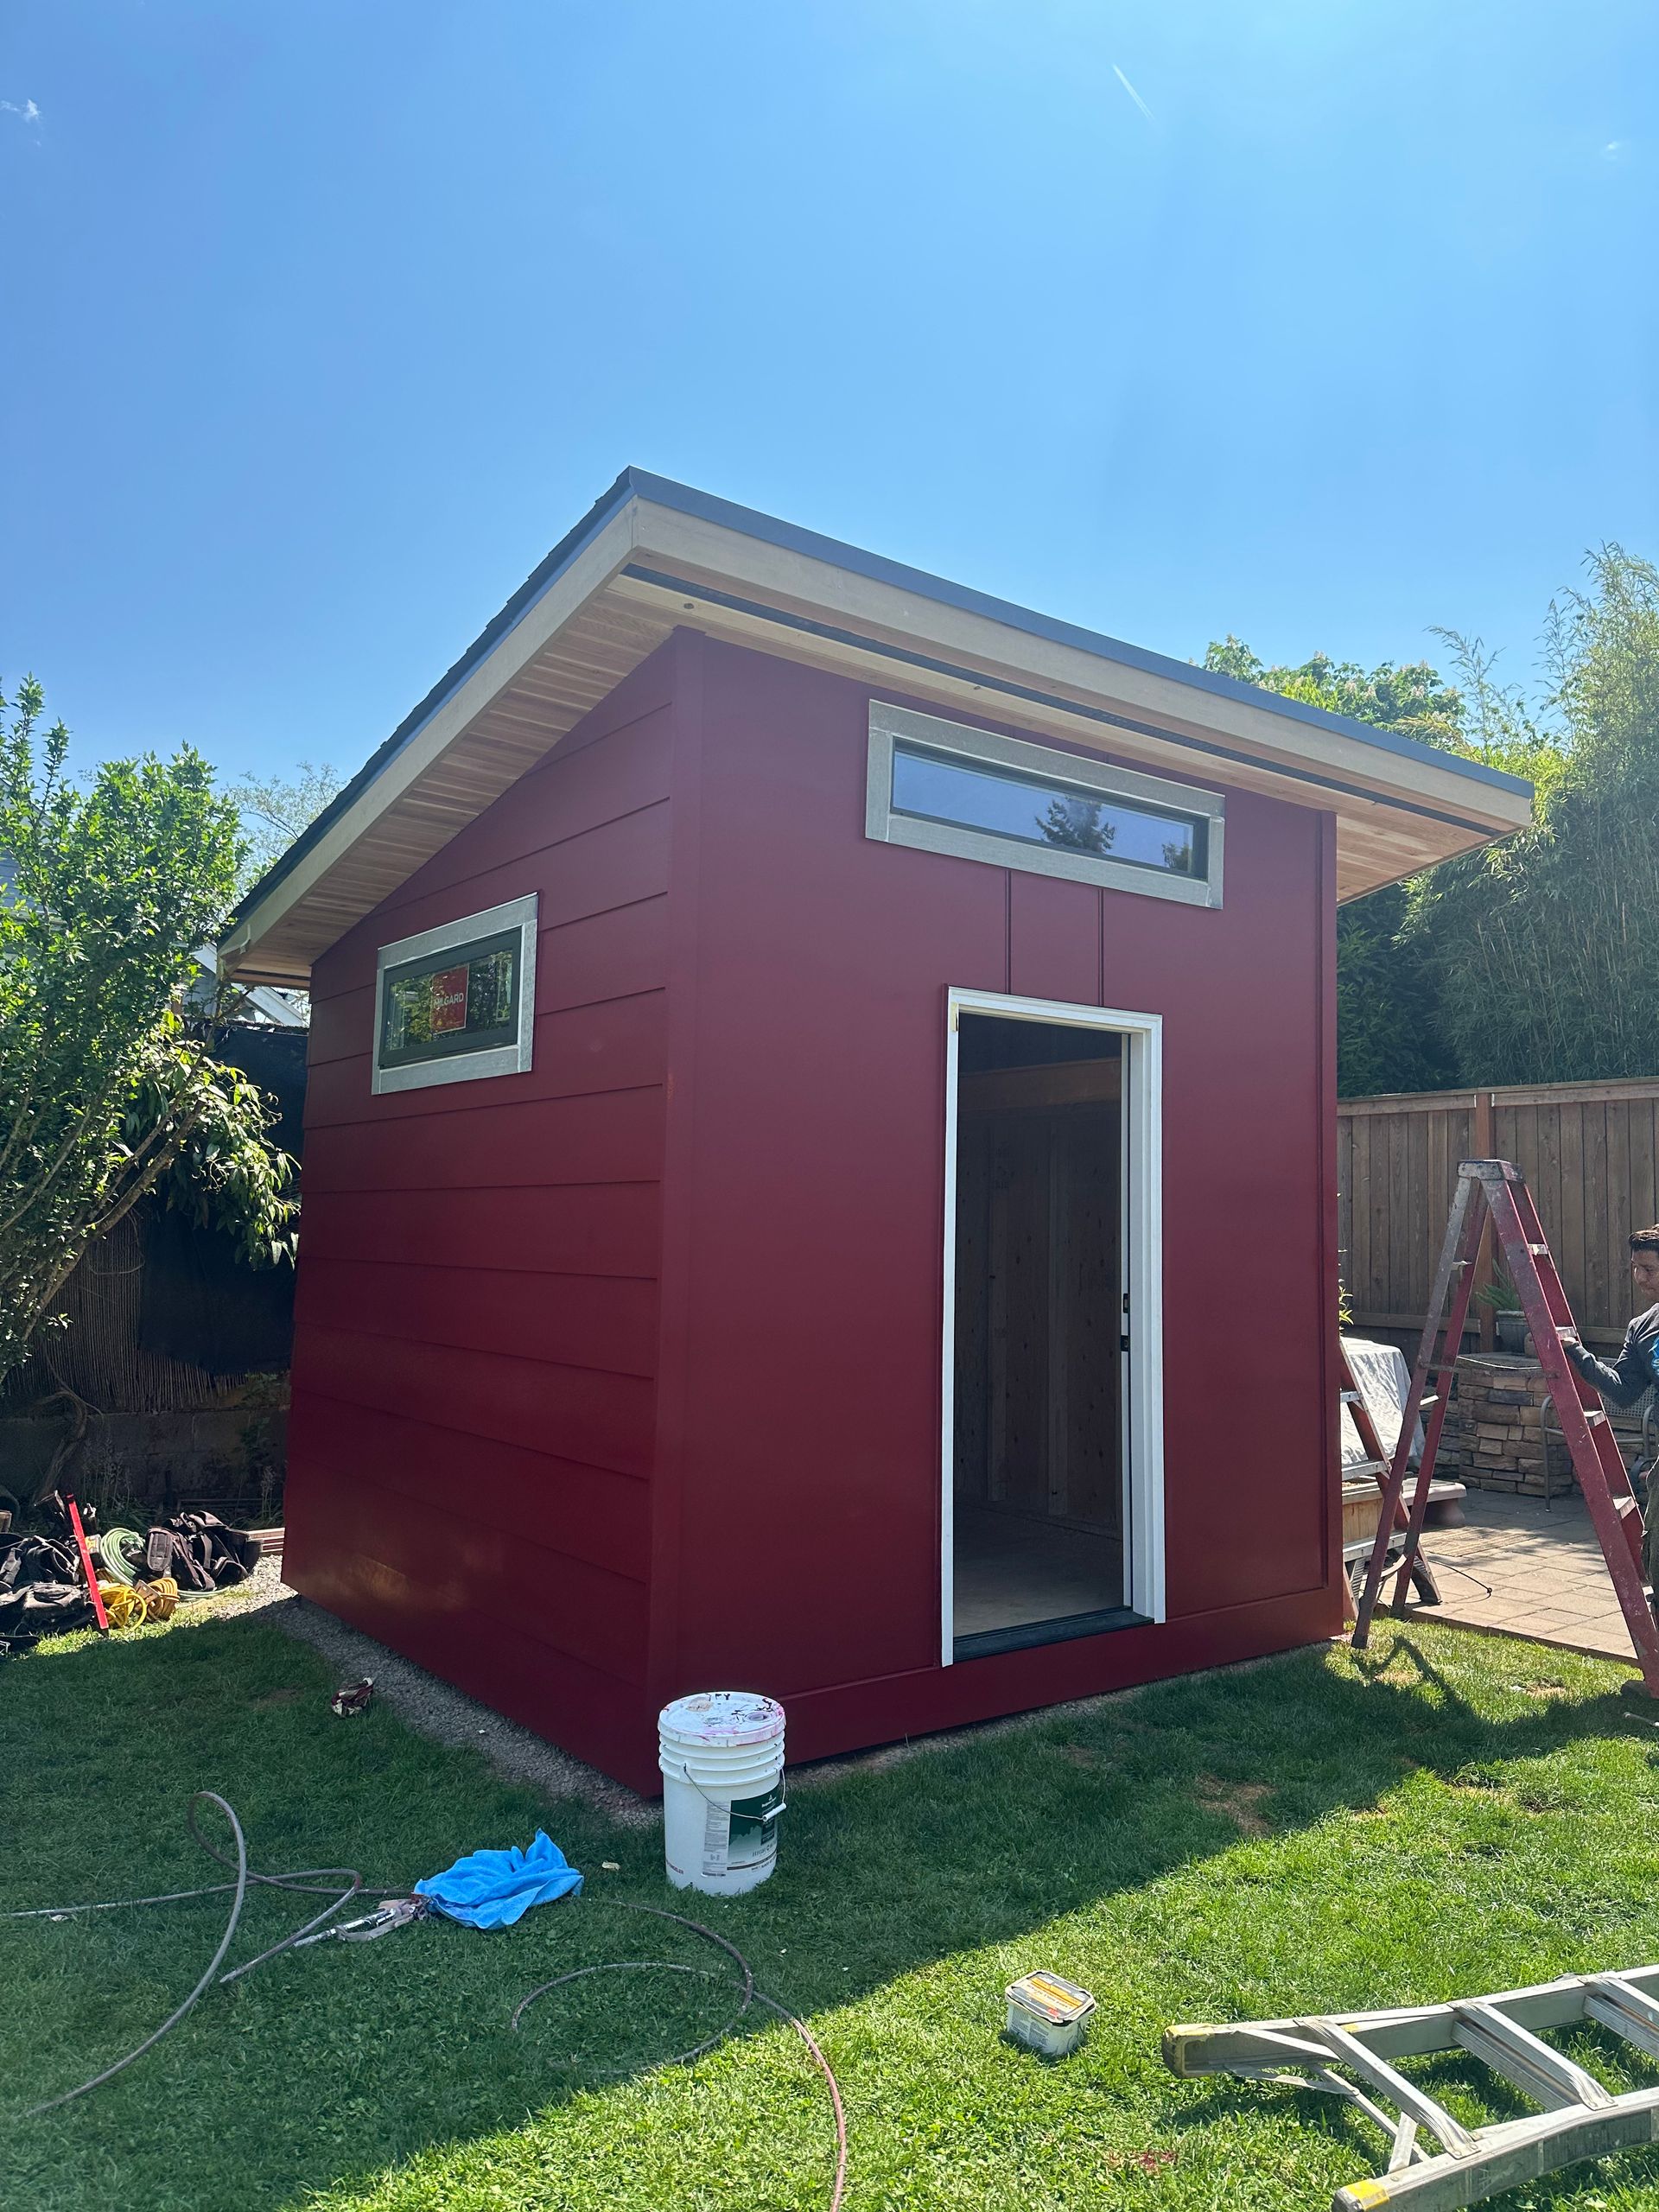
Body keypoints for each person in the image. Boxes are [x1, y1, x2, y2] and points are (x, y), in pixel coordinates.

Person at [1560, 1224, 1659, 1584]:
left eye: (1649, 1269)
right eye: (1635, 1268)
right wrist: (1578, 1354)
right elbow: (1623, 1391)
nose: (1640, 1278)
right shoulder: (1642, 1328)